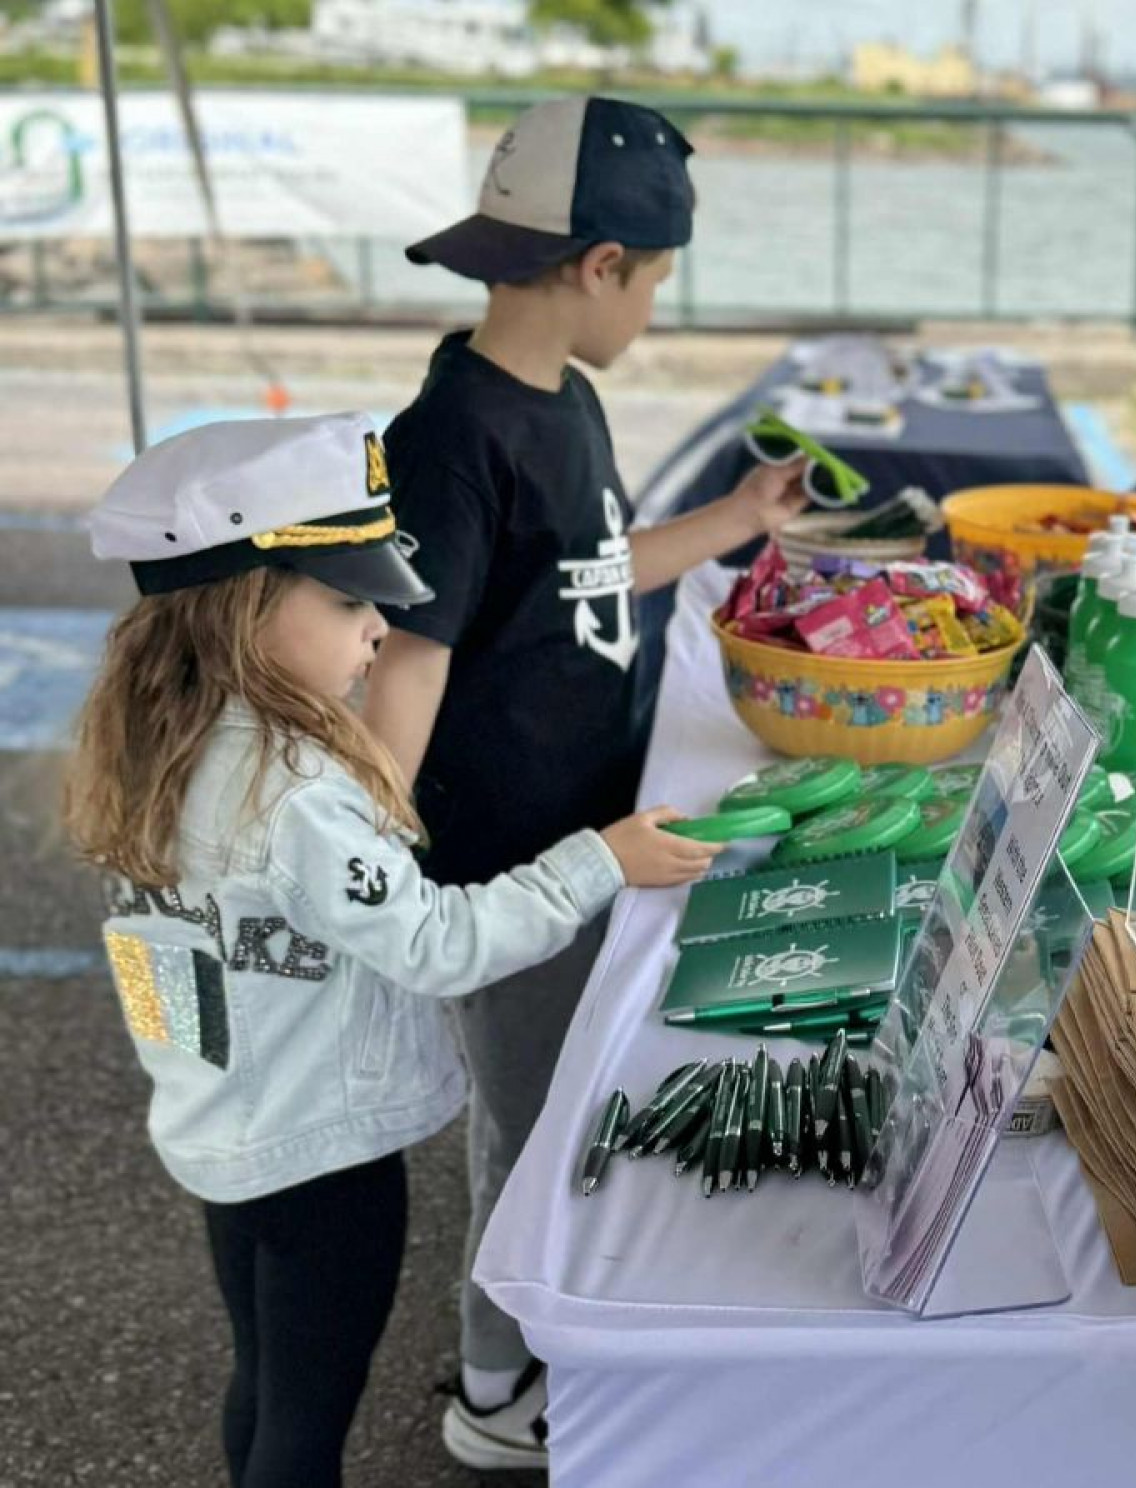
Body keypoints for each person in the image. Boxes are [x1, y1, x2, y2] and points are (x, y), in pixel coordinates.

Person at [66, 414, 725, 1488]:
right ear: (241, 611)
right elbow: (438, 946)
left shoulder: (158, 742)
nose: (380, 627)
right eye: (346, 600)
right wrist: (598, 862)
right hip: (324, 1157)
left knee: (267, 1382)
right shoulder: (295, 792)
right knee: (308, 1422)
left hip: (227, 1136)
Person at [362, 95, 809, 1468]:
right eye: (657, 280)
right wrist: (368, 845)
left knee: (564, 1099)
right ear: (600, 264)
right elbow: (408, 665)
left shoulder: (567, 402)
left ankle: (547, 1334)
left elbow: (594, 573)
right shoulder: (455, 435)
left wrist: (737, 520)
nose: (655, 311)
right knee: (527, 1121)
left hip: (585, 834)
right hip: (502, 859)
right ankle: (495, 1393)